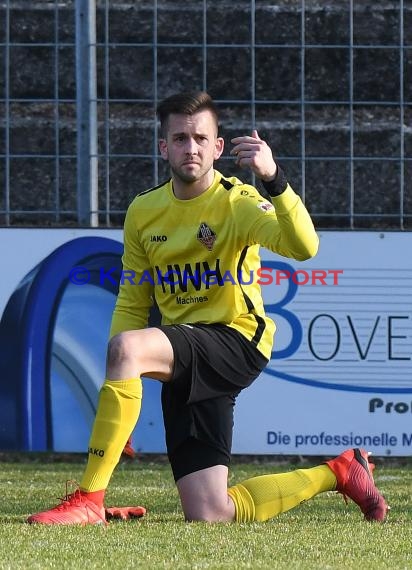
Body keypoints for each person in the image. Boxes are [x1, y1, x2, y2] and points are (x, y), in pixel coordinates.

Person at [27, 91, 388, 526]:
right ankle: (341, 471)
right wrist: (117, 383)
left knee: (128, 348)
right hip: (186, 353)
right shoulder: (144, 211)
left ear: (218, 147)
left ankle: (88, 500)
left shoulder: (237, 201)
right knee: (210, 512)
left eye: (200, 138)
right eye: (179, 138)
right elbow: (132, 300)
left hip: (236, 339)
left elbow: (305, 247)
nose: (190, 147)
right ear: (164, 147)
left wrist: (273, 178)